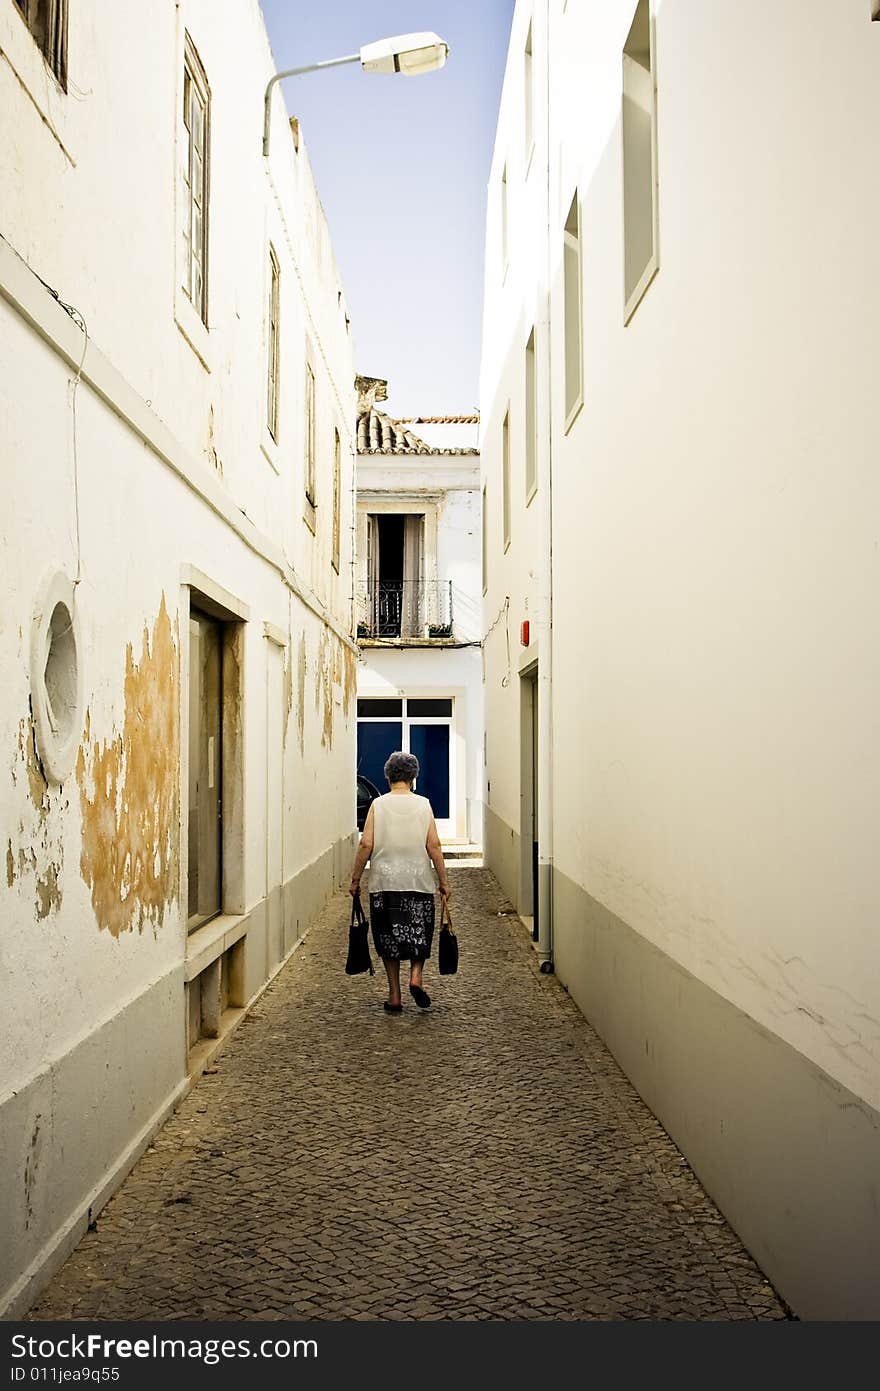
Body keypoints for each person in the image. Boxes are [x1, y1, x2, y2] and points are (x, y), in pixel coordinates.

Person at [349, 750, 451, 1013]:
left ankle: (394, 996)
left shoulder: (378, 805)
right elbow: (434, 846)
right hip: (418, 881)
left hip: (385, 883)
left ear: (388, 777)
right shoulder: (424, 804)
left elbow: (366, 844)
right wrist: (443, 881)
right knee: (419, 933)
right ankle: (416, 976)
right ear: (413, 777)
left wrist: (355, 879)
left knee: (388, 939)